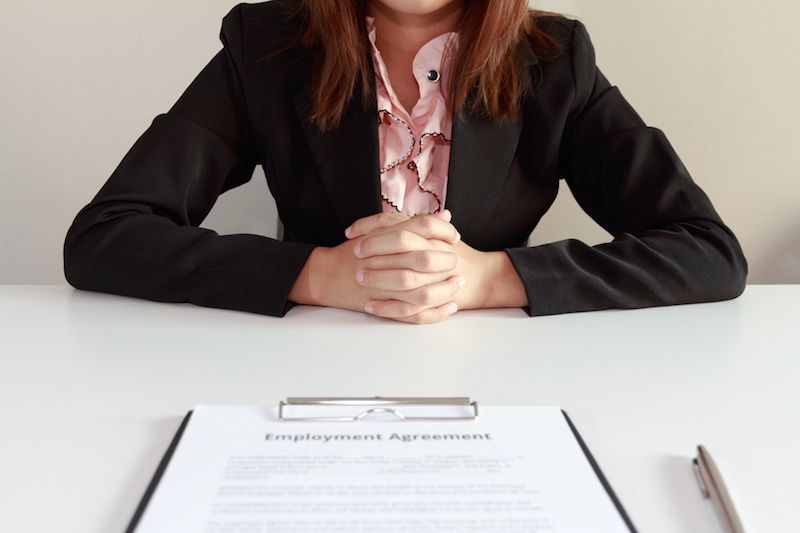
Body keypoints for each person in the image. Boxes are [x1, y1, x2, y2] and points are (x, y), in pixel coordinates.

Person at [63, 0, 747, 324]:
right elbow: (105, 236)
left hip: (499, 390)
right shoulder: (264, 45)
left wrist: (488, 279)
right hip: (295, 385)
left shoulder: (554, 59)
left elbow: (707, 250)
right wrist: (317, 273)